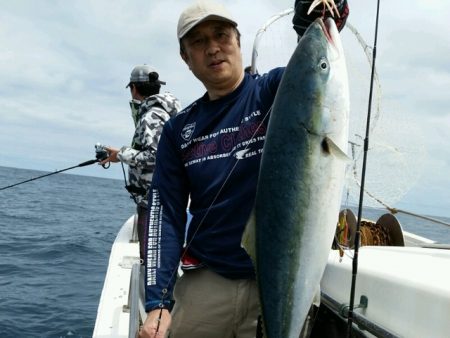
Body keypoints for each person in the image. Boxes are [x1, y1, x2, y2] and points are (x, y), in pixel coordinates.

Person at [139, 1, 349, 337]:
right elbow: (165, 214)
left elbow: (310, 79)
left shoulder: (272, 92)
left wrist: (314, 22)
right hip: (208, 282)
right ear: (185, 58)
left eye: (221, 35)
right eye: (198, 42)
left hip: (281, 277)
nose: (213, 48)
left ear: (238, 40)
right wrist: (157, 302)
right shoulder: (179, 130)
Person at [100, 64, 181, 262]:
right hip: (162, 194)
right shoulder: (165, 112)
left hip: (152, 198)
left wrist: (121, 155)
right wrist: (119, 154)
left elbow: (154, 156)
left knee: (150, 256)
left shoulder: (151, 116)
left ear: (134, 88)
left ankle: (153, 290)